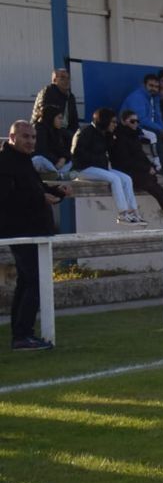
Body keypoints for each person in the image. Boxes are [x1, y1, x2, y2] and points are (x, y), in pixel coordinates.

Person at [0, 120, 73, 350]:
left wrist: (56, 192)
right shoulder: (5, 162)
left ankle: (21, 333)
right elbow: (7, 198)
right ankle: (22, 335)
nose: (30, 141)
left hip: (35, 230)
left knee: (28, 281)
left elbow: (36, 188)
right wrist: (41, 198)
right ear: (12, 138)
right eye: (25, 137)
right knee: (34, 280)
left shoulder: (23, 161)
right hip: (21, 231)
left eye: (32, 137)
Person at [109, 108, 163, 227]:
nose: (136, 123)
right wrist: (146, 169)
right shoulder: (120, 137)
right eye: (132, 121)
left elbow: (140, 155)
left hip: (137, 171)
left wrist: (151, 166)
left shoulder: (134, 135)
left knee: (157, 189)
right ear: (124, 121)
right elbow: (125, 161)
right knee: (156, 189)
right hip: (126, 173)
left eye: (137, 121)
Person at [71, 108, 143, 223]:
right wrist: (100, 160)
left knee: (126, 179)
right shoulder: (85, 131)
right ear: (104, 121)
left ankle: (133, 212)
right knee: (114, 178)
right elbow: (77, 154)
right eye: (113, 122)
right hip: (83, 169)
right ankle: (123, 214)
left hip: (100, 167)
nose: (115, 124)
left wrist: (112, 138)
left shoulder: (106, 134)